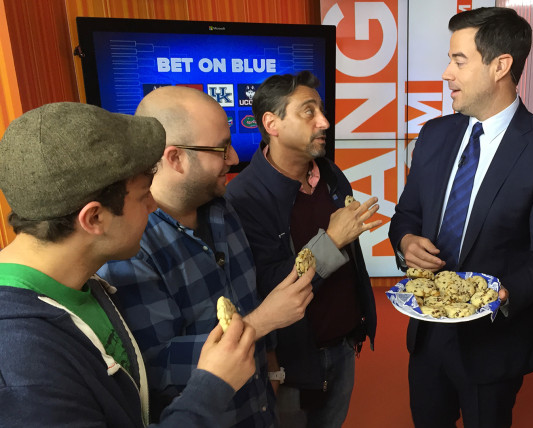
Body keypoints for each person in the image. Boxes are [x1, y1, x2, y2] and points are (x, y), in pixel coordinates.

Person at [0, 102, 259, 427]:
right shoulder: (21, 361)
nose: (153, 206)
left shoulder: (82, 286)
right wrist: (212, 385)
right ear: (94, 218)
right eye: (142, 196)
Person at [388, 7, 533, 428]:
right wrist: (405, 242)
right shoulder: (435, 135)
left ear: (500, 66)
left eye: (459, 61)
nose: (446, 73)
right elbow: (406, 216)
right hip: (427, 333)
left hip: (493, 342)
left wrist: (497, 295)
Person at [97, 86, 314, 428]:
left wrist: (271, 367)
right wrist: (261, 323)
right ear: (174, 158)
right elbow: (155, 365)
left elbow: (248, 296)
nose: (232, 158)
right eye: (221, 148)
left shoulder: (221, 208)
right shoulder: (131, 246)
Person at [225, 70, 380, 428]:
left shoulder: (330, 174)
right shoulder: (244, 197)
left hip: (343, 346)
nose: (324, 121)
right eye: (308, 111)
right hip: (293, 361)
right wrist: (331, 241)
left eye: (321, 110)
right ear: (272, 123)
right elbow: (266, 286)